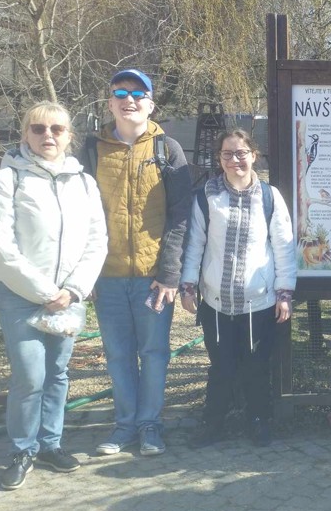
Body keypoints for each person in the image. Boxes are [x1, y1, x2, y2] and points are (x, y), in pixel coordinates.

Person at [0, 101, 107, 490]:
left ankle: (51, 443)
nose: (47, 135)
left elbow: (97, 239)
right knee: (30, 374)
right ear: (25, 135)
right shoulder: (6, 180)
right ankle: (23, 449)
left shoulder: (83, 183)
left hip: (67, 296)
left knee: (58, 372)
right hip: (19, 294)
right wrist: (45, 291)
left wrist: (73, 289)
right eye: (38, 129)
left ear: (69, 136)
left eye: (56, 129)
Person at [84, 69, 191, 457]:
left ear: (151, 104)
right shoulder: (92, 149)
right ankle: (125, 426)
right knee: (117, 355)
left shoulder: (167, 150)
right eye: (120, 93)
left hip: (152, 278)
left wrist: (170, 273)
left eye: (137, 94)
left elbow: (181, 215)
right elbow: (80, 213)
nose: (128, 100)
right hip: (107, 276)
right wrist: (85, 272)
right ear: (109, 104)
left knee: (154, 353)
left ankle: (150, 426)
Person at [180, 129, 296, 447]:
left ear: (253, 156)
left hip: (258, 302)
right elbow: (195, 245)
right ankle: (213, 423)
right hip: (216, 302)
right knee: (221, 367)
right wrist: (188, 286)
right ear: (220, 159)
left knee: (256, 367)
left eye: (241, 153)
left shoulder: (270, 197)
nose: (235, 160)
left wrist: (284, 293)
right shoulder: (206, 197)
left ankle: (258, 421)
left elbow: (284, 247)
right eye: (227, 154)